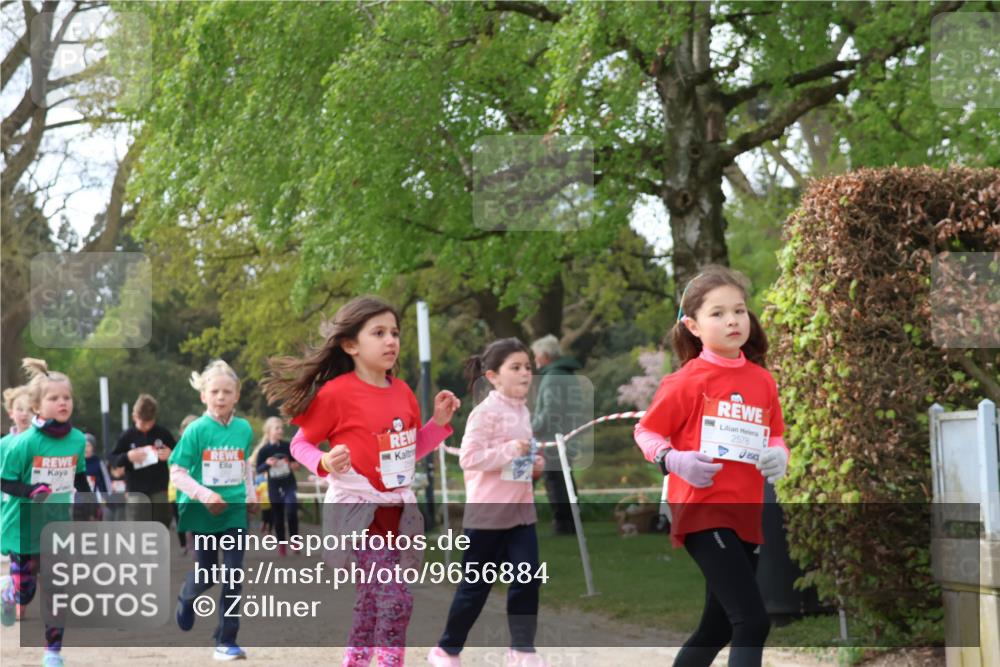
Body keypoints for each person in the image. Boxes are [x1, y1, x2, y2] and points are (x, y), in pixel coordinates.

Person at [262, 295, 460, 667]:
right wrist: (323, 460)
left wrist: (438, 422)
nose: (391, 341)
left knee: (372, 601)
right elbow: (300, 443)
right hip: (357, 513)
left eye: (395, 333)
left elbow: (410, 449)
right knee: (396, 597)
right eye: (379, 332)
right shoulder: (336, 394)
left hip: (396, 514)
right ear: (351, 344)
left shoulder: (402, 392)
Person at [633, 266, 789, 667]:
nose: (732, 320)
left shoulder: (762, 380)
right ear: (693, 325)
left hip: (746, 512)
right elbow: (646, 434)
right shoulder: (685, 381)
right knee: (752, 622)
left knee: (716, 628)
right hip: (702, 510)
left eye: (738, 310)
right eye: (717, 314)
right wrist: (674, 460)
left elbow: (774, 433)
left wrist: (779, 454)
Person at [428, 338, 547, 667]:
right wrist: (511, 451)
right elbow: (469, 458)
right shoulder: (485, 412)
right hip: (487, 517)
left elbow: (515, 462)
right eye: (516, 368)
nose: (525, 373)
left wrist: (532, 465)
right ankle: (446, 649)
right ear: (493, 376)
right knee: (475, 590)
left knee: (527, 579)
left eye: (528, 367)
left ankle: (522, 650)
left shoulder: (523, 410)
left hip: (521, 514)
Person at [0, 359, 90, 666]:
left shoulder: (77, 440)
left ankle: (53, 652)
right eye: (54, 398)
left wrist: (88, 504)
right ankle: (9, 593)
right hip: (23, 526)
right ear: (38, 406)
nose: (62, 402)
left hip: (56, 527)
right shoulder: (24, 443)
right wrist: (31, 490)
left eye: (66, 397)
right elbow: (4, 480)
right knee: (26, 592)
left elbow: (79, 475)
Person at [169, 361, 257, 661]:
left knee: (233, 575)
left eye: (227, 391)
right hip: (203, 512)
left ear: (236, 395)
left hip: (234, 512)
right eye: (215, 391)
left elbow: (244, 464)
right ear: (204, 395)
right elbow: (177, 472)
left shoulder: (244, 429)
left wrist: (251, 494)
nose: (221, 397)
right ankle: (187, 596)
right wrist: (205, 495)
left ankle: (226, 639)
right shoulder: (196, 431)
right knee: (207, 574)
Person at [529, 334, 582, 535]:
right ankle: (571, 521)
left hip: (553, 438)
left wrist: (532, 427)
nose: (535, 361)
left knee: (555, 480)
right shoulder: (568, 375)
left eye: (536, 356)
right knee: (565, 479)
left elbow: (549, 411)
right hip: (568, 435)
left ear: (544, 355)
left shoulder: (552, 378)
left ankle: (563, 523)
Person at [109, 394, 175, 527]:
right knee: (138, 521)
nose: (146, 427)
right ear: (134, 417)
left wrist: (171, 454)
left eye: (149, 423)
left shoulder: (163, 433)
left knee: (162, 521)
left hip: (159, 488)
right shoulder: (127, 436)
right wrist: (128, 456)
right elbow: (113, 458)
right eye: (142, 423)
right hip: (136, 489)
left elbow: (180, 453)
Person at [1, 385, 33, 622]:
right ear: (11, 412)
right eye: (19, 409)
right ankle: (13, 592)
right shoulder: (3, 445)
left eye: (29, 409)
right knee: (19, 560)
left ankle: (11, 590)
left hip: (40, 514)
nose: (24, 413)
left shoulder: (39, 443)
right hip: (12, 513)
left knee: (30, 576)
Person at [251, 416, 299, 555]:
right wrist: (267, 464)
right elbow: (259, 469)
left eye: (281, 428)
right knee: (277, 516)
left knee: (291, 511)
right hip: (273, 485)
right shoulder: (264, 450)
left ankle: (295, 542)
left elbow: (296, 465)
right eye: (277, 428)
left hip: (289, 483)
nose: (280, 431)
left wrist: (291, 464)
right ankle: (282, 545)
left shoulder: (287, 446)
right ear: (269, 431)